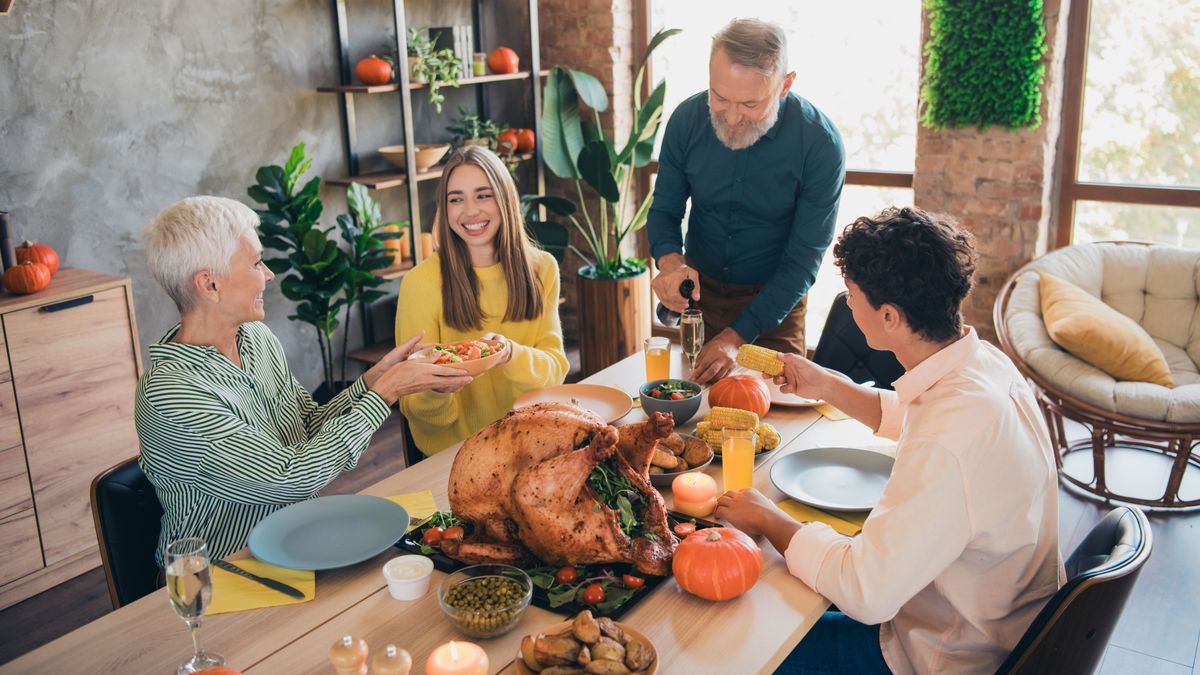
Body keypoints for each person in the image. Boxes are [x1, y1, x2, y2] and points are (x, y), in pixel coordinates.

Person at [716, 207, 1064, 674]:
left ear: (888, 316)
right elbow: (915, 416)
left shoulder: (950, 436)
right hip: (981, 614)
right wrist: (829, 385)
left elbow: (867, 592)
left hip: (943, 652)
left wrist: (768, 516)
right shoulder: (982, 368)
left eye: (852, 295)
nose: (847, 303)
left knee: (741, 638)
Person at [136, 196, 473, 564]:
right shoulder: (171, 394)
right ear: (209, 285)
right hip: (225, 572)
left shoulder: (256, 339)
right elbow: (289, 477)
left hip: (295, 543)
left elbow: (306, 426)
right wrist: (386, 392)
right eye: (256, 262)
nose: (268, 275)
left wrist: (374, 379)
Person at [647, 17, 846, 383]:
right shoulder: (686, 122)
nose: (733, 116)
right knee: (695, 418)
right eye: (719, 97)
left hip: (774, 308)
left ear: (785, 85)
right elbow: (663, 211)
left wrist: (736, 337)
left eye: (751, 104)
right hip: (699, 299)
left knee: (773, 426)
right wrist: (670, 264)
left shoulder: (820, 145)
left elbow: (803, 262)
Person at [395, 146, 569, 455]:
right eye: (456, 199)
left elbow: (554, 369)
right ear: (444, 208)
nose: (470, 211)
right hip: (454, 455)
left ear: (504, 199)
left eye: (483, 195)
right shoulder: (419, 283)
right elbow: (414, 407)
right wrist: (437, 388)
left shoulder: (542, 269)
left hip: (530, 444)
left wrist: (509, 353)